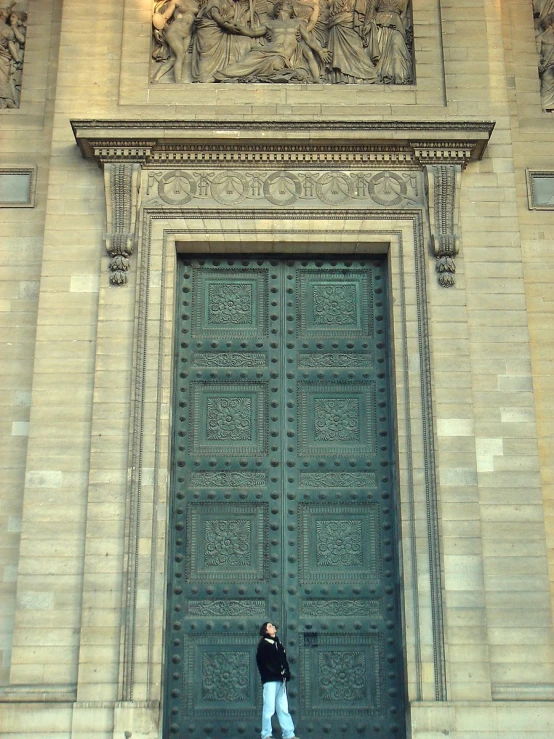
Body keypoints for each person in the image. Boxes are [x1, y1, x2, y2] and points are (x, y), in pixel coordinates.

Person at [214, 0, 329, 83]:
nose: (290, 5)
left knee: (275, 63)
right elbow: (252, 32)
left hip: (281, 56)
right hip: (266, 50)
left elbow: (309, 39)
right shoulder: (270, 24)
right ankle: (222, 75)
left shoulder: (298, 23)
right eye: (287, 4)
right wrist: (235, 26)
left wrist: (320, 51)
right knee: (246, 61)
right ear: (279, 9)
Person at [256, 621, 299, 739]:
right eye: (270, 626)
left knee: (283, 707)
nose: (273, 627)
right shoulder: (263, 645)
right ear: (265, 631)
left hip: (280, 680)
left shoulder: (277, 643)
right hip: (270, 680)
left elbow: (283, 661)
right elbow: (265, 663)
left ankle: (289, 734)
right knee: (269, 708)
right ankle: (266, 734)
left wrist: (286, 672)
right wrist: (276, 672)